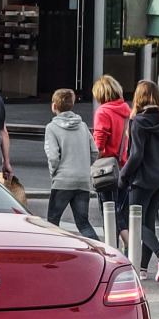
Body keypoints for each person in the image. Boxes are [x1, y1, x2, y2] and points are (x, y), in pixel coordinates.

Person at [120, 80, 159, 282]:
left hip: (143, 179)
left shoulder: (137, 122)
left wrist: (123, 177)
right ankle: (142, 269)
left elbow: (136, 156)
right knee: (148, 221)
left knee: (134, 221)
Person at [44, 88, 99, 239]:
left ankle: (54, 255)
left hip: (63, 181)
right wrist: (83, 167)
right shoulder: (82, 126)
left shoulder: (52, 128)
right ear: (72, 104)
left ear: (54, 105)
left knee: (52, 222)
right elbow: (94, 151)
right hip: (82, 180)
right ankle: (100, 251)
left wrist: (54, 173)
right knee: (83, 223)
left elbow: (53, 156)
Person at [91, 74, 131, 247]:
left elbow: (99, 143)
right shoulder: (126, 110)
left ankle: (122, 248)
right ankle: (129, 248)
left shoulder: (103, 112)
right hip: (124, 167)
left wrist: (93, 162)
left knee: (108, 212)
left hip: (107, 169)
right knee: (119, 211)